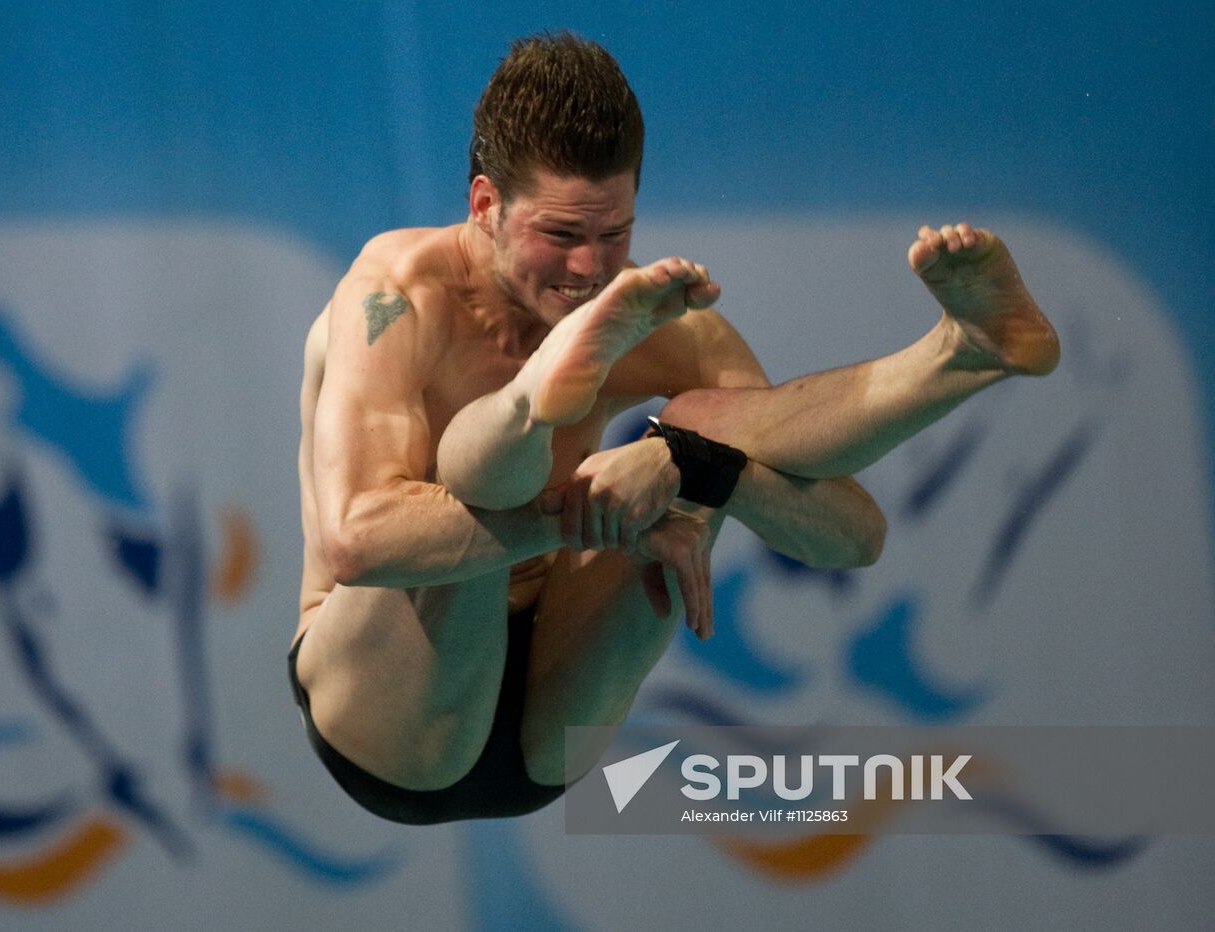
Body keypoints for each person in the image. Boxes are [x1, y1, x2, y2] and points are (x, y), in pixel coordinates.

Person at [288, 32, 1058, 825]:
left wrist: (695, 466)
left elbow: (853, 537)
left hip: (549, 736)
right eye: (560, 235)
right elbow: (356, 541)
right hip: (388, 721)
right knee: (478, 466)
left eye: (613, 234)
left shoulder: (647, 316)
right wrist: (591, 513)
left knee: (696, 434)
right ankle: (527, 403)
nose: (589, 269)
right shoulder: (395, 293)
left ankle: (961, 355)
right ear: (484, 205)